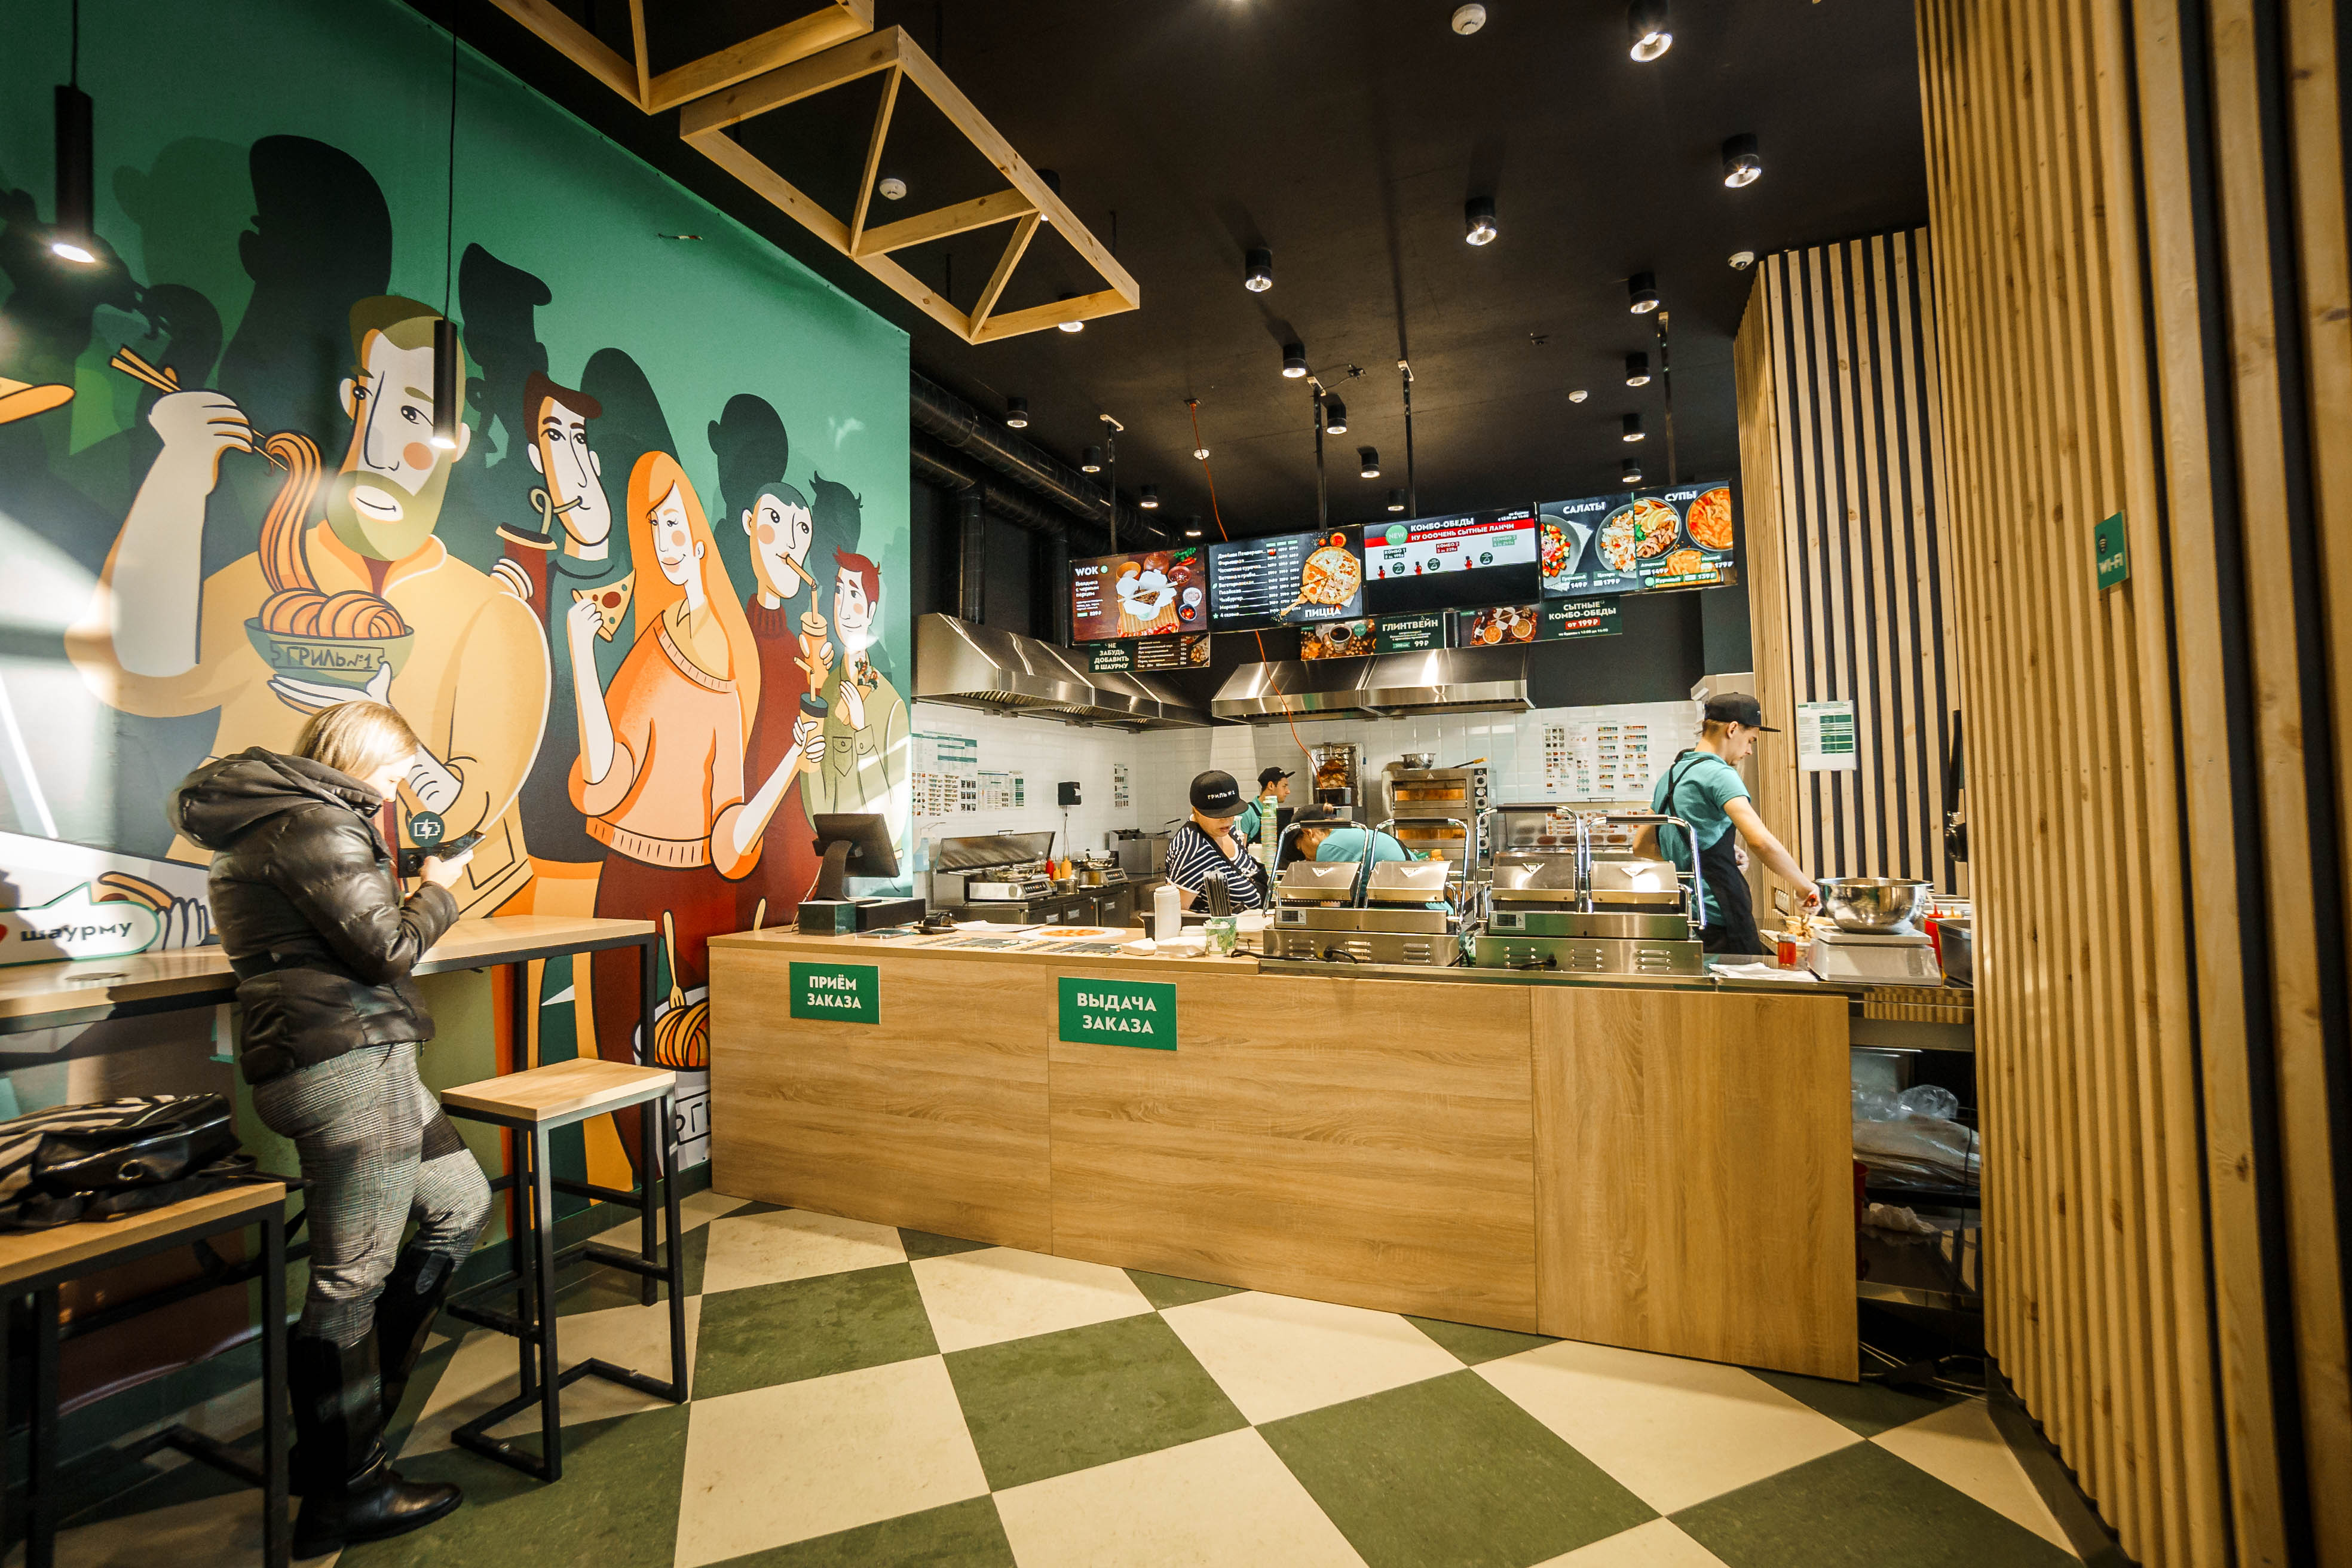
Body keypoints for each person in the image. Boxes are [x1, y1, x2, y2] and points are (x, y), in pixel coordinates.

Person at [169, 701, 489, 1557]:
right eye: (393, 774)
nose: (392, 794)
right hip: (350, 1068)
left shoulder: (267, 821)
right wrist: (441, 889)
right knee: (351, 1279)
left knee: (460, 1203)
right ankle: (346, 1492)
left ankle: (344, 1436)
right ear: (359, 753)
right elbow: (387, 951)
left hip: (339, 1061)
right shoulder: (318, 823)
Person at [1643, 694, 1819, 956]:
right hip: (1721, 913)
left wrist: (1711, 853)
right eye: (1750, 740)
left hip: (1686, 912)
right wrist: (1805, 887)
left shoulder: (1671, 776)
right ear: (1733, 729)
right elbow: (1760, 841)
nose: (1749, 751)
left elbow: (1642, 845)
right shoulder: (1720, 774)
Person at [1165, 769, 1267, 911]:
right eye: (1218, 814)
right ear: (1197, 811)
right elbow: (1176, 912)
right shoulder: (1192, 848)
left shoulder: (1227, 831)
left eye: (1231, 812)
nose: (1227, 820)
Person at [1232, 765, 1293, 850]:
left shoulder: (1277, 813)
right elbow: (1240, 851)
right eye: (1284, 786)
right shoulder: (1247, 813)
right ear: (1271, 786)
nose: (1288, 791)